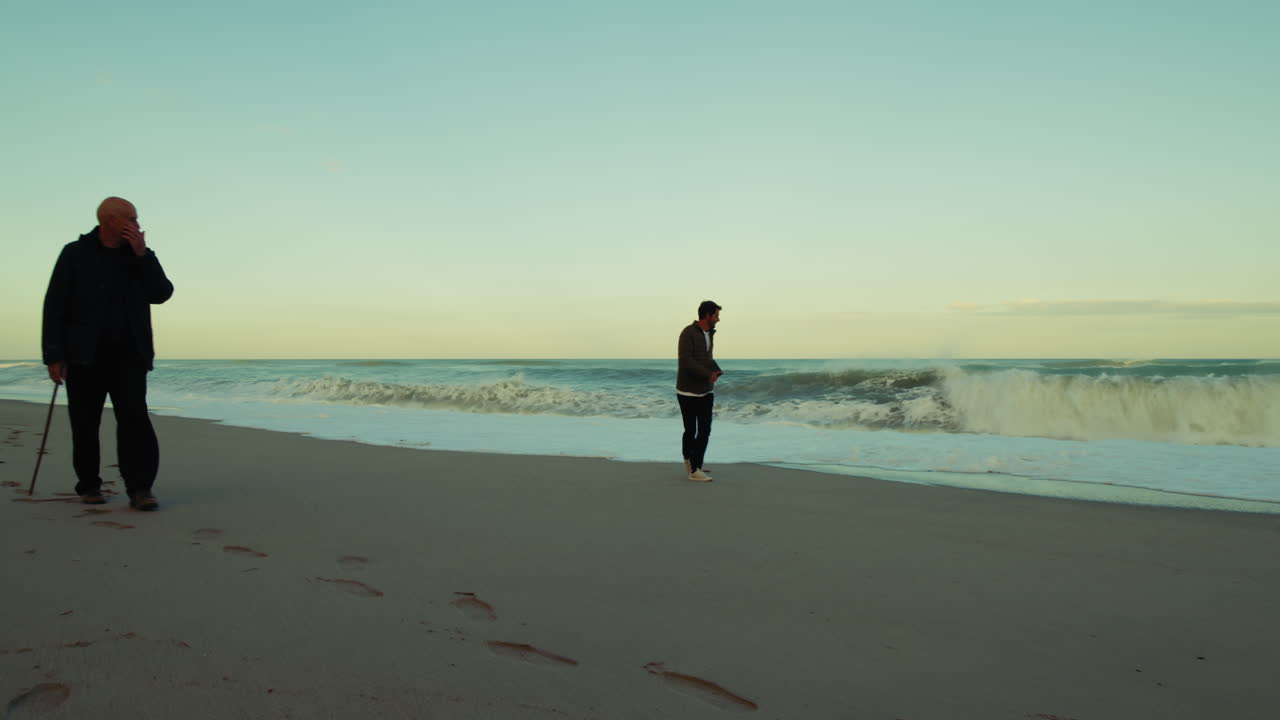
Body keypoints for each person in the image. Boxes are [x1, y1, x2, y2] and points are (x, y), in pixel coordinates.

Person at [42, 197, 175, 510]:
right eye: (131, 219)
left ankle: (140, 489)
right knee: (84, 423)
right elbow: (55, 305)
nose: (137, 225)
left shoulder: (140, 255)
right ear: (110, 221)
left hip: (130, 355)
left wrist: (142, 255)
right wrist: (53, 355)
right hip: (83, 355)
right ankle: (89, 485)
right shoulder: (74, 254)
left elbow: (161, 294)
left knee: (135, 421)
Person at [676, 300, 722, 482]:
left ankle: (696, 466)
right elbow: (686, 361)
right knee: (690, 430)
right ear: (707, 315)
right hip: (687, 392)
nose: (718, 320)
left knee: (705, 430)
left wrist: (715, 370)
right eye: (716, 315)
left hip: (705, 391)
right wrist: (707, 374)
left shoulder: (710, 334)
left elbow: (706, 358)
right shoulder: (687, 333)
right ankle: (692, 466)